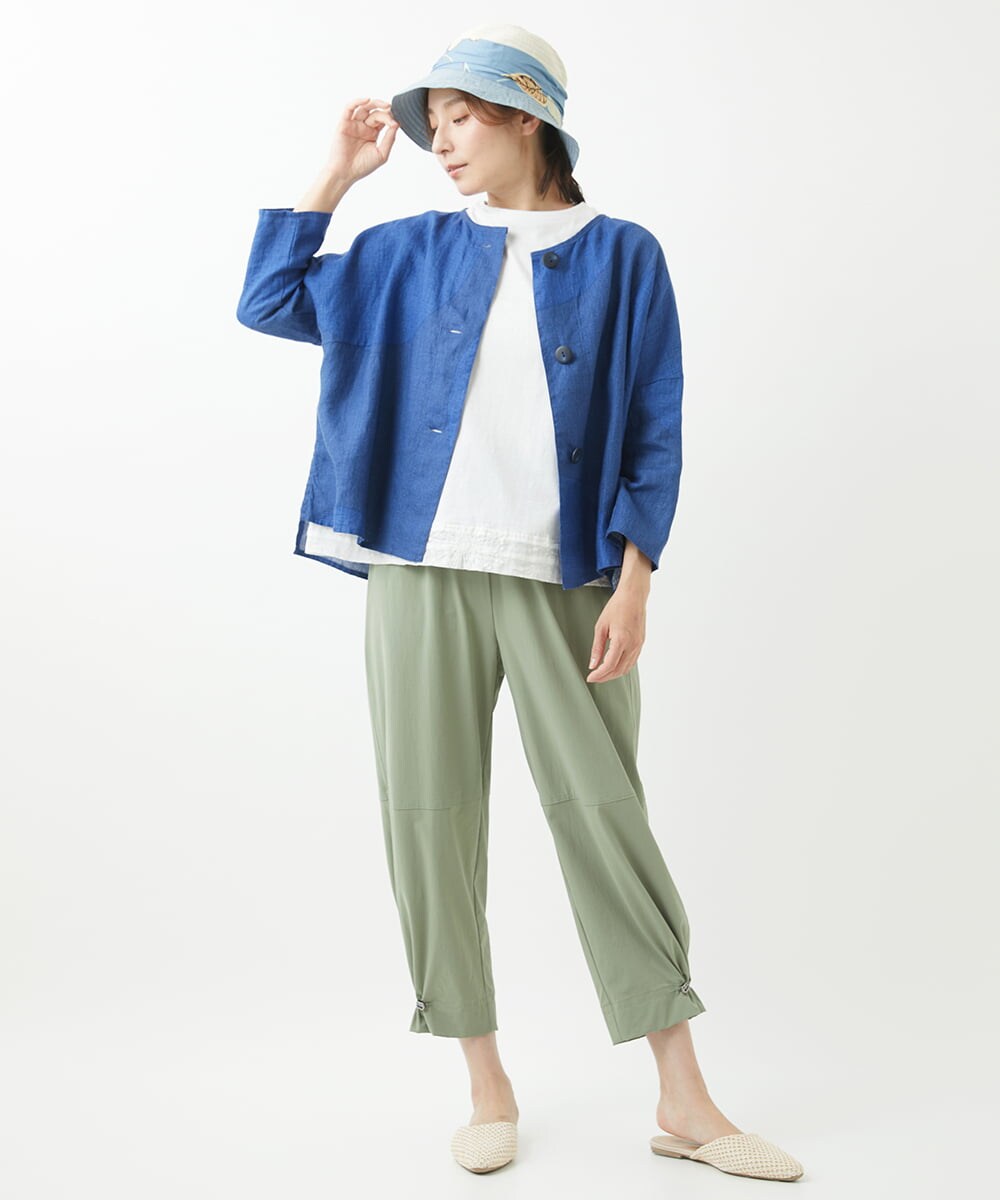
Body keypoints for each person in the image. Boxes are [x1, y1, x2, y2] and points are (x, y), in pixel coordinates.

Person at [236, 22, 804, 1185]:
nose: (439, 142)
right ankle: (484, 1083)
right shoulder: (402, 252)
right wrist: (337, 176)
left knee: (603, 813)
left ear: (526, 117)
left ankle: (683, 1099)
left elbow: (653, 424)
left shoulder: (624, 255)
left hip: (568, 578)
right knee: (429, 817)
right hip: (419, 569)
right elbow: (269, 299)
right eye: (432, 124)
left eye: (460, 119)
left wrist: (637, 579)